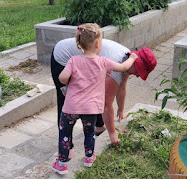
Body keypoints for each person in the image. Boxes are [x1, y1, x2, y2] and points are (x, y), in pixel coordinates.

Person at [51, 23, 138, 174]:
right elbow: (124, 68)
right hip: (90, 110)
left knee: (65, 133)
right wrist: (133, 57)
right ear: (98, 44)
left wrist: (68, 81)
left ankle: (62, 163)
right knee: (89, 133)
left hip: (71, 108)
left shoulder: (73, 61)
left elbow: (63, 78)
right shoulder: (103, 62)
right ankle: (89, 158)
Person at [50, 31, 157, 146]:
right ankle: (66, 144)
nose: (137, 75)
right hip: (62, 58)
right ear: (135, 63)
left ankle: (99, 126)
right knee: (67, 102)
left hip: (85, 58)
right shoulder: (116, 66)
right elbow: (106, 105)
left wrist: (121, 110)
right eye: (138, 72)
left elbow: (121, 89)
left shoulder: (128, 60)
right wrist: (112, 134)